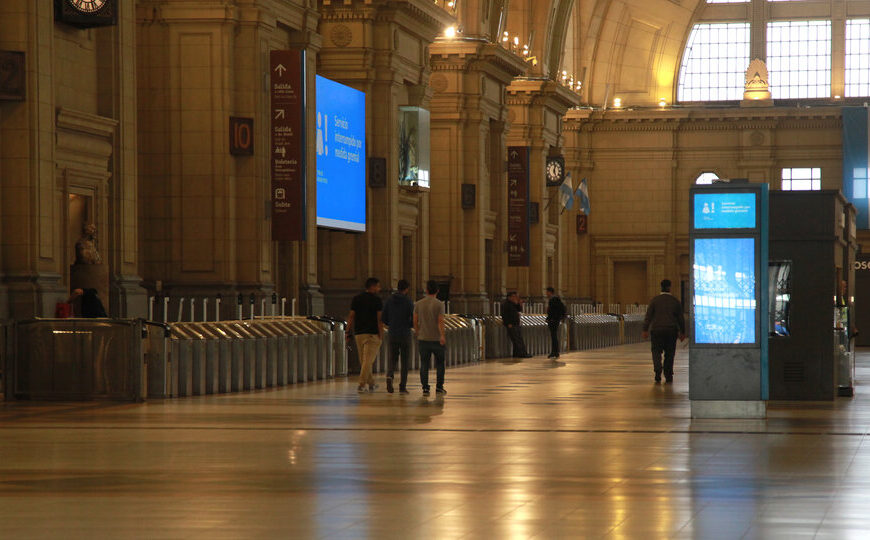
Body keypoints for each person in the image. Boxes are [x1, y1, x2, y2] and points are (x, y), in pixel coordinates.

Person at [642, 279, 686, 383]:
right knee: (670, 353)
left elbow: (648, 316)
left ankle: (658, 369)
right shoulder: (675, 301)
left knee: (656, 351)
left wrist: (645, 329)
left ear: (660, 287)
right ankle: (668, 374)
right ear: (670, 287)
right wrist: (682, 332)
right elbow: (680, 318)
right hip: (671, 330)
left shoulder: (654, 300)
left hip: (657, 330)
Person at [347, 277, 384, 393]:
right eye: (378, 286)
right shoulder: (377, 300)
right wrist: (381, 333)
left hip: (359, 333)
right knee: (367, 361)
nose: (379, 288)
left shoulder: (356, 299)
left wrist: (347, 331)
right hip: (372, 334)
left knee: (364, 361)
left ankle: (371, 383)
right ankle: (361, 384)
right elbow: (379, 319)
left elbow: (351, 316)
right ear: (372, 286)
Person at [414, 280, 446, 396]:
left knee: (424, 364)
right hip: (436, 339)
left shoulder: (418, 304)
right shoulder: (439, 304)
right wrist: (442, 335)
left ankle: (425, 388)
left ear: (426, 290)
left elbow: (415, 320)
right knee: (440, 364)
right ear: (437, 291)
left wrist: (418, 332)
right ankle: (439, 387)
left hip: (423, 338)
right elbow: (440, 321)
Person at [382, 279, 414, 394]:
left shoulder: (389, 300)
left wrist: (391, 323)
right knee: (405, 361)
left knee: (393, 357)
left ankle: (390, 375)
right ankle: (402, 386)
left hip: (392, 332)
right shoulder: (408, 301)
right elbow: (413, 317)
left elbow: (383, 317)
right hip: (405, 333)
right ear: (406, 289)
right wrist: (410, 325)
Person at [502, 291, 531, 358]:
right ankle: (522, 354)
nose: (515, 298)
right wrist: (508, 323)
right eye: (514, 296)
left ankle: (517, 354)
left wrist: (519, 303)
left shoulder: (513, 303)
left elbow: (519, 310)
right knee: (517, 340)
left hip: (516, 323)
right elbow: (504, 315)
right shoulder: (506, 304)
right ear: (509, 297)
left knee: (518, 339)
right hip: (511, 324)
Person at [545, 287, 567, 359]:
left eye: (547, 292)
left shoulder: (553, 299)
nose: (546, 294)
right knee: (554, 336)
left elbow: (553, 311)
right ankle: (555, 352)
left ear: (550, 292)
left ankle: (554, 352)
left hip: (553, 320)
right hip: (555, 319)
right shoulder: (555, 299)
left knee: (554, 336)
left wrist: (550, 318)